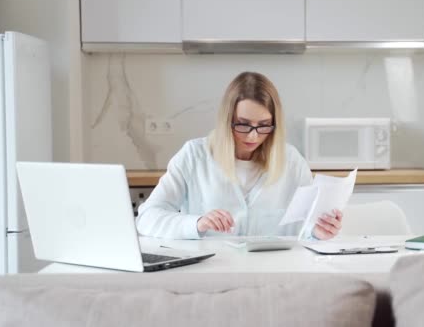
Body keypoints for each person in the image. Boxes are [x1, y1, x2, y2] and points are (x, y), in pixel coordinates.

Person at [136, 71, 342, 240]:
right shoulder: (194, 155)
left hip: (274, 273)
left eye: (263, 126)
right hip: (211, 272)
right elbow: (146, 218)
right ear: (227, 120)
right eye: (243, 124)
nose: (253, 135)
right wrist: (196, 224)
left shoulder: (292, 161)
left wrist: (317, 232)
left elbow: (302, 226)